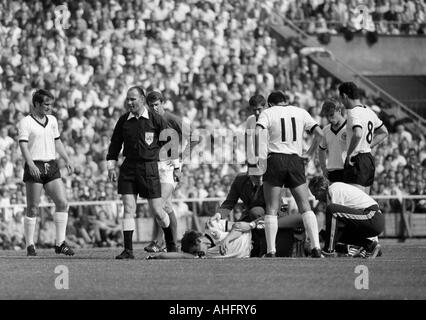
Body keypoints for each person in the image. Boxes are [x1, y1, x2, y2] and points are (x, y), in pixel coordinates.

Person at [251, 90, 324, 257]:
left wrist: (259, 159)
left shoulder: (268, 113)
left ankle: (271, 251)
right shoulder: (300, 111)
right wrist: (310, 153)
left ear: (269, 104)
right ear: (286, 101)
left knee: (271, 207)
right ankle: (316, 248)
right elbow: (319, 133)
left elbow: (257, 132)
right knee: (305, 206)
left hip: (275, 159)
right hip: (295, 160)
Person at [106, 86, 176, 259]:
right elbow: (115, 144)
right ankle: (128, 250)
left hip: (149, 168)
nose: (129, 102)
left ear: (142, 100)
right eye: (127, 99)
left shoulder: (156, 119)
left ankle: (171, 242)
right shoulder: (123, 121)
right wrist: (110, 166)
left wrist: (175, 166)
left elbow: (171, 141)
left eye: (133, 99)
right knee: (128, 208)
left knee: (158, 211)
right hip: (128, 167)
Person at [17, 89, 74, 256]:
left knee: (62, 203)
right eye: (46, 104)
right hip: (35, 165)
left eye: (50, 104)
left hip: (51, 165)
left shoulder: (53, 120)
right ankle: (30, 245)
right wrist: (30, 164)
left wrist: (67, 158)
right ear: (36, 104)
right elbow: (23, 145)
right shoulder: (25, 122)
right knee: (33, 207)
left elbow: (57, 141)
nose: (49, 107)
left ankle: (60, 243)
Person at [216, 172, 305, 257]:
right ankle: (255, 249)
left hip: (275, 219)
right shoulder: (240, 180)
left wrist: (251, 224)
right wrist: (219, 215)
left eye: (262, 176)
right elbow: (230, 202)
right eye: (256, 176)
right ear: (248, 173)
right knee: (248, 217)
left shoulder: (272, 182)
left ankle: (265, 249)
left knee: (256, 212)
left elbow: (275, 214)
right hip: (252, 218)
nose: (261, 179)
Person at [143, 90, 184, 253]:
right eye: (151, 105)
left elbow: (194, 137)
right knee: (166, 206)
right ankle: (172, 243)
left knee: (158, 204)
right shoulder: (148, 121)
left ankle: (157, 242)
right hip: (154, 166)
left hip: (170, 167)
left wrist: (181, 161)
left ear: (163, 103)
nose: (154, 108)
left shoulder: (171, 119)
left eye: (157, 104)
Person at [308, 176, 384, 259]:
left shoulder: (334, 189)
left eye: (315, 194)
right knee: (328, 232)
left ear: (321, 189)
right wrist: (322, 236)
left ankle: (328, 251)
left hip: (373, 217)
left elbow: (337, 220)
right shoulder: (334, 189)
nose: (316, 198)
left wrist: (326, 243)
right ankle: (370, 245)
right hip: (371, 218)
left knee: (332, 210)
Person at [338, 82, 389, 194]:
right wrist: (367, 145)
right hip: (368, 158)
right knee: (365, 201)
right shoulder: (369, 111)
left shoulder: (352, 112)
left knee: (356, 201)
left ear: (345, 96)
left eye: (341, 98)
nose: (341, 102)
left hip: (357, 160)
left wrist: (349, 154)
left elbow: (358, 134)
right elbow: (384, 132)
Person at [318, 99, 347, 183]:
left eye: (331, 115)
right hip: (332, 173)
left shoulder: (350, 127)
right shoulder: (326, 130)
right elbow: (321, 150)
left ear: (339, 110)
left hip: (348, 170)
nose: (329, 118)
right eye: (327, 116)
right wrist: (323, 168)